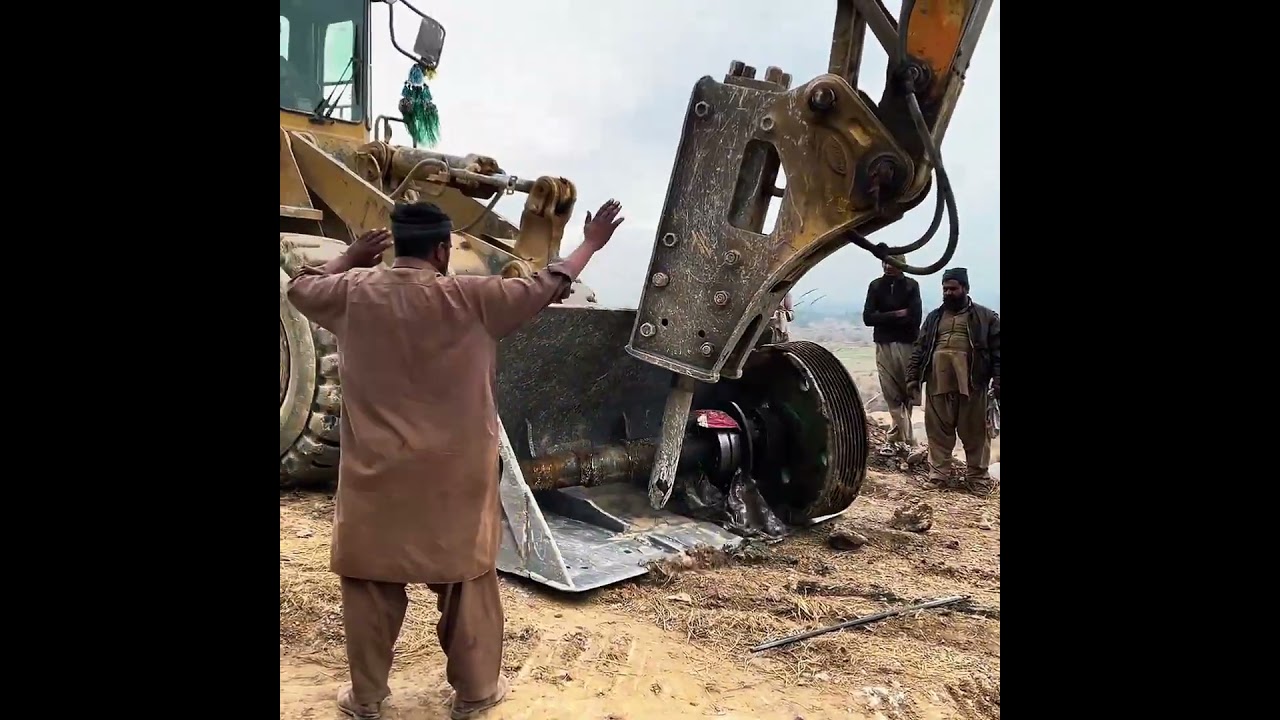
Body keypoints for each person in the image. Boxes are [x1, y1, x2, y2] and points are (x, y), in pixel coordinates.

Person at [285, 199, 626, 720]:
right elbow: (548, 285)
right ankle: (474, 695)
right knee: (466, 582)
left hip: (375, 476)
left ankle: (368, 698)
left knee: (371, 580)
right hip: (456, 475)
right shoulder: (476, 298)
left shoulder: (353, 293)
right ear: (444, 250)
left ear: (396, 246)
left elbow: (299, 286)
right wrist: (591, 242)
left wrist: (350, 257)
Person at [905, 267, 1001, 495]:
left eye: (953, 289)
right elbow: (920, 349)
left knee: (975, 432)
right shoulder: (934, 317)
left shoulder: (986, 317)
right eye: (945, 289)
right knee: (938, 431)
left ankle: (977, 478)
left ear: (965, 289)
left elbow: (999, 352)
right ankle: (939, 476)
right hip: (937, 382)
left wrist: (998, 381)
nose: (948, 293)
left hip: (972, 383)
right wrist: (912, 378)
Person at [862, 255, 922, 446]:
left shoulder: (912, 286)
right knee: (890, 391)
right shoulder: (876, 286)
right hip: (884, 343)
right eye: (885, 262)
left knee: (907, 392)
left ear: (901, 265)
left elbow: (914, 318)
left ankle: (901, 436)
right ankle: (905, 438)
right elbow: (868, 318)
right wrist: (897, 314)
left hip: (907, 344)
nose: (888, 266)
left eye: (892, 263)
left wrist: (883, 316)